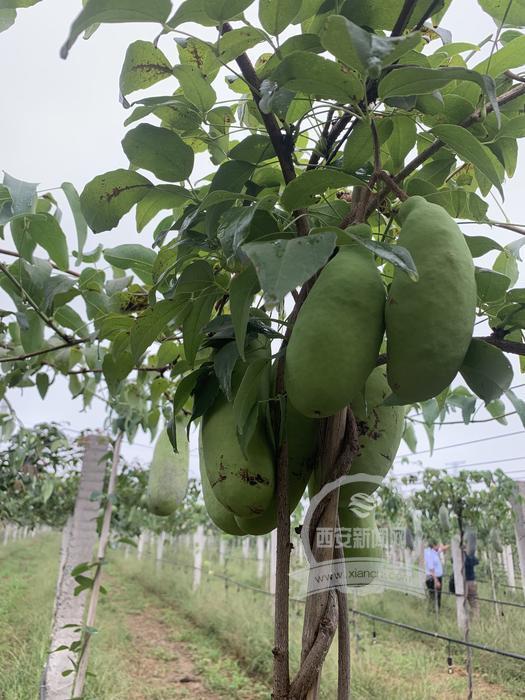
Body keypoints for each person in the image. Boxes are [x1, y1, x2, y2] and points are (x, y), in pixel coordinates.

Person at [424, 539, 443, 609]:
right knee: (434, 596)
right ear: (434, 545)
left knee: (437, 596)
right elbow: (431, 569)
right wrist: (436, 580)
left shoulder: (434, 551)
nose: (439, 546)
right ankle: (433, 611)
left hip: (436, 577)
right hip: (433, 578)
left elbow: (442, 549)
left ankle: (435, 610)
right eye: (438, 545)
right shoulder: (429, 553)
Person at [464, 551, 479, 617]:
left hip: (462, 582)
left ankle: (467, 617)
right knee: (474, 602)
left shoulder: (458, 556)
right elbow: (476, 561)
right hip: (470, 581)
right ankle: (475, 618)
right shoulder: (469, 556)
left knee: (463, 602)